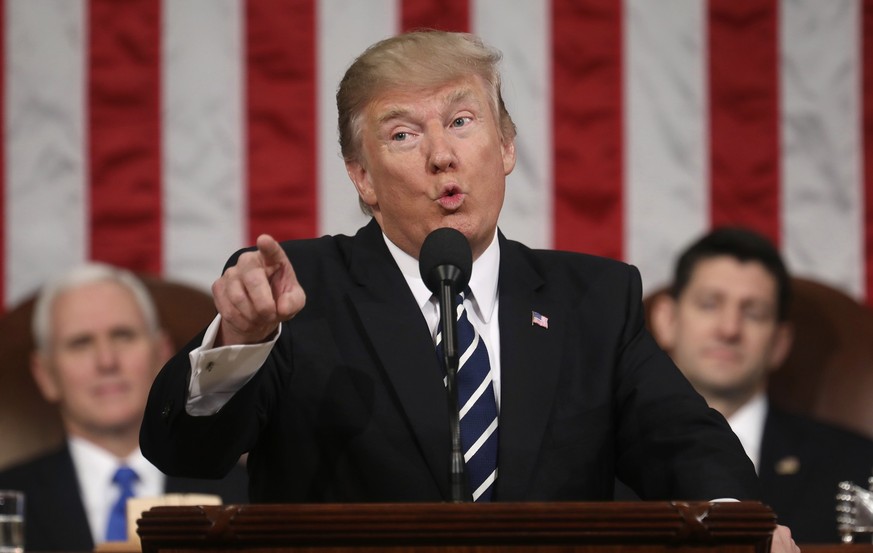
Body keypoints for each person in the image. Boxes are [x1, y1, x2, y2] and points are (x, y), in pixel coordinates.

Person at [140, 30, 797, 552]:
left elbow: (683, 444)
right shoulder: (300, 291)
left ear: (505, 144)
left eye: (461, 121)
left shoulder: (592, 299)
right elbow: (187, 452)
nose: (440, 155)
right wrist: (241, 340)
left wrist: (741, 527)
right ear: (361, 176)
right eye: (403, 134)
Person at [646, 226, 873, 543]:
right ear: (667, 320)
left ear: (779, 343)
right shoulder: (604, 460)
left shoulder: (856, 468)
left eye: (753, 313)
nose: (729, 329)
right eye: (710, 304)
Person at [0, 263, 248, 551]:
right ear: (45, 375)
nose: (107, 361)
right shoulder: (7, 501)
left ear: (162, 356)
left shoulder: (247, 496)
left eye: (123, 335)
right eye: (80, 343)